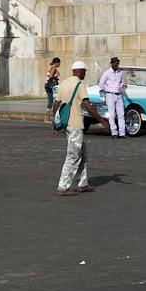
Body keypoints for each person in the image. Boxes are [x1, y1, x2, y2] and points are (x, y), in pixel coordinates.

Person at [55, 61, 96, 195]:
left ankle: (82, 183)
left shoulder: (64, 83)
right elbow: (87, 105)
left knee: (82, 154)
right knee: (73, 156)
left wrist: (54, 122)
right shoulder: (80, 85)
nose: (85, 74)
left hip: (67, 124)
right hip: (75, 125)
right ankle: (63, 186)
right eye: (84, 71)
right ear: (80, 71)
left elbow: (56, 103)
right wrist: (101, 119)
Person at [99, 57, 128, 137]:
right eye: (115, 63)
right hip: (110, 95)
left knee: (121, 114)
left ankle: (122, 133)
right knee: (112, 114)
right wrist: (108, 90)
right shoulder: (107, 73)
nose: (117, 65)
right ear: (111, 64)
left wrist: (123, 86)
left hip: (118, 95)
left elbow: (121, 82)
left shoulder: (120, 73)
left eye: (118, 63)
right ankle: (114, 132)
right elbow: (101, 84)